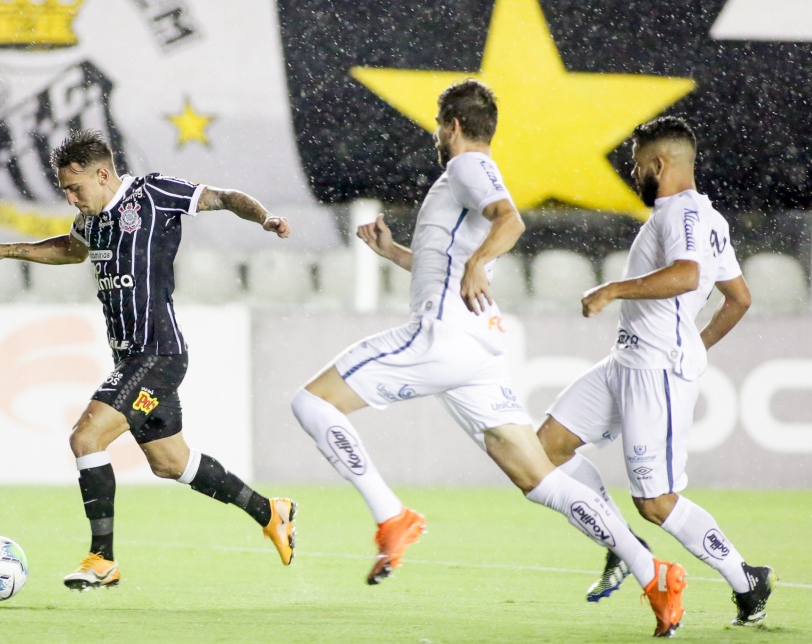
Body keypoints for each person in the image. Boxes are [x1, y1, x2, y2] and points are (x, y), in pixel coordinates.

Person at [290, 80, 685, 637]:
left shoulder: (466, 167)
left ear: (451, 126)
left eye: (437, 125)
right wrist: (392, 252)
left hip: (441, 337)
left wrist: (479, 262)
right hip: (474, 350)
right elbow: (445, 264)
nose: (436, 134)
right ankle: (654, 574)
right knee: (539, 480)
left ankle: (391, 516)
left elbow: (510, 220)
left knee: (309, 402)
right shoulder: (460, 181)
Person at [0, 129, 297, 590]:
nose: (69, 198)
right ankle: (269, 511)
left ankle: (102, 559)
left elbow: (223, 197)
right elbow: (71, 248)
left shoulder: (153, 194)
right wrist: (9, 250)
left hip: (158, 354)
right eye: (64, 189)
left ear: (103, 174)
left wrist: (264, 218)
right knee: (171, 463)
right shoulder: (94, 221)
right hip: (131, 360)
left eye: (74, 187)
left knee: (86, 438)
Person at [537, 116, 775, 627]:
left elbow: (689, 275)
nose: (633, 171)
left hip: (655, 371)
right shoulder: (706, 218)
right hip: (627, 361)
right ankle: (621, 544)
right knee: (546, 450)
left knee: (656, 501)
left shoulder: (683, 214)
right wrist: (697, 341)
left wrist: (613, 289)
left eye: (638, 164)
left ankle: (746, 579)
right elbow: (739, 298)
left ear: (659, 164)